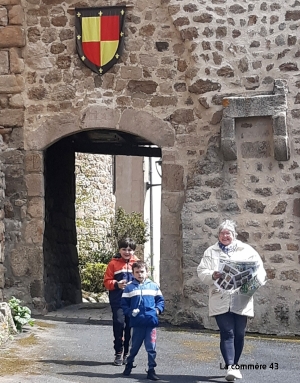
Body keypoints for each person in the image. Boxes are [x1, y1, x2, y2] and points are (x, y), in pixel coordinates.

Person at [197, 220, 266, 382]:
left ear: (234, 235)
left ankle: (235, 365)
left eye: (228, 233)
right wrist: (212, 275)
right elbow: (201, 271)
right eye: (222, 233)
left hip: (241, 297)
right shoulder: (210, 252)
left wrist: (254, 282)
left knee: (239, 334)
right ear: (218, 235)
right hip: (219, 296)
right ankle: (230, 366)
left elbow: (260, 270)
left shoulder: (247, 250)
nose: (224, 236)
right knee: (227, 332)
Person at [121, 261, 165, 381]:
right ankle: (129, 364)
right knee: (134, 347)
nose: (140, 274)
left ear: (147, 272)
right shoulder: (129, 288)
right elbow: (124, 304)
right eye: (137, 272)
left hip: (150, 322)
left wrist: (157, 310)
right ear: (133, 273)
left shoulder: (154, 286)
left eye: (142, 272)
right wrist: (130, 312)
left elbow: (160, 300)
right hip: (137, 323)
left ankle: (151, 369)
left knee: (151, 348)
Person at [103, 237, 139, 366]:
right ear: (119, 250)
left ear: (134, 251)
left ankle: (127, 354)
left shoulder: (137, 263)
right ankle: (118, 352)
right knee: (119, 324)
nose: (127, 252)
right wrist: (116, 284)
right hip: (118, 300)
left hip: (133, 301)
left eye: (130, 249)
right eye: (124, 249)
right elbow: (106, 282)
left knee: (130, 326)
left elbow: (143, 278)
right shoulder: (113, 263)